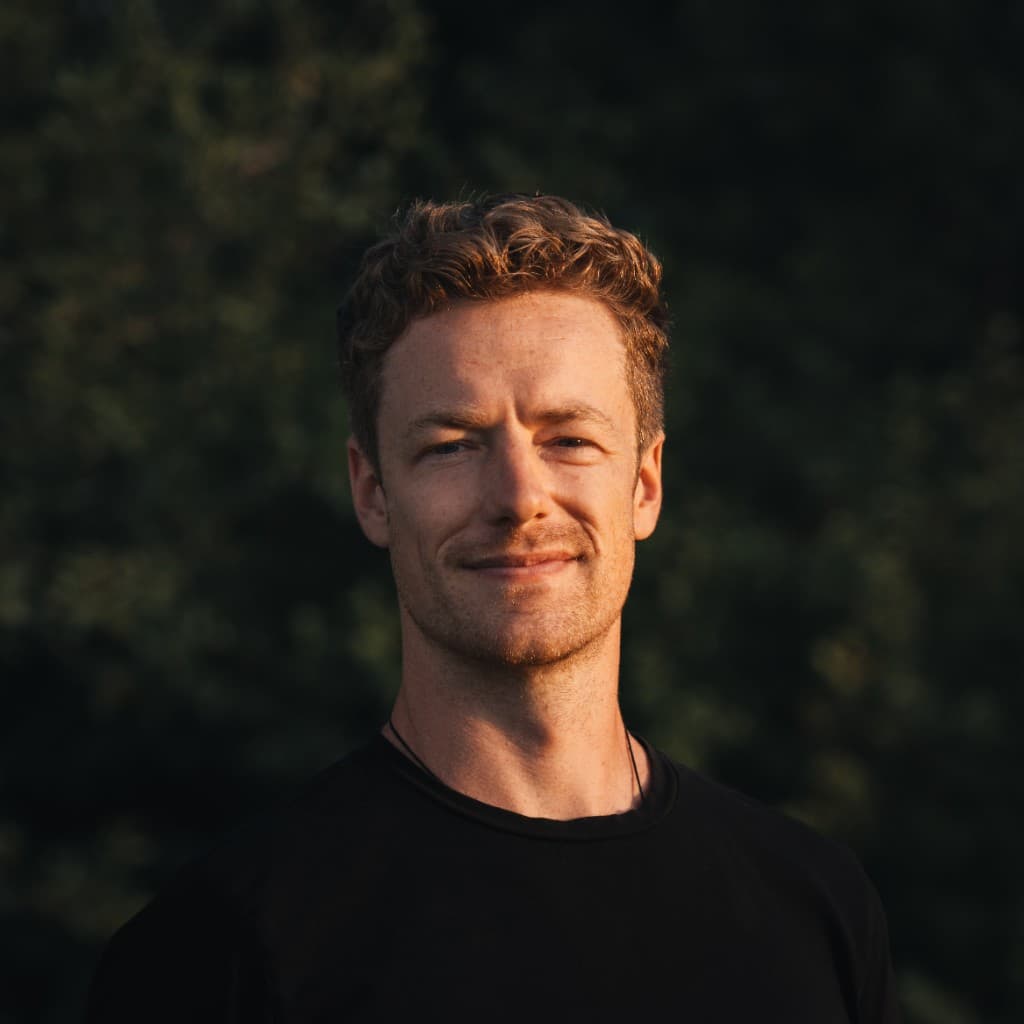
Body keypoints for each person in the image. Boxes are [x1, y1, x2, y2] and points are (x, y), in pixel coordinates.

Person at [85, 194, 901, 1021]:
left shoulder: (816, 909)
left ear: (645, 484)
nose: (518, 498)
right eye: (452, 446)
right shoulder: (219, 948)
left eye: (569, 439)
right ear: (371, 492)